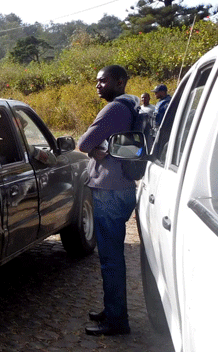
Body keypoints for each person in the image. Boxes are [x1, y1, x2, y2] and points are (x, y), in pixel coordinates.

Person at [77, 65, 138, 336]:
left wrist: (93, 149)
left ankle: (116, 321)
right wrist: (98, 149)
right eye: (97, 81)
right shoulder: (131, 106)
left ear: (120, 81)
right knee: (112, 258)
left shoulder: (114, 109)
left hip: (110, 192)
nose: (98, 85)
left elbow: (84, 142)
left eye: (103, 81)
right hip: (122, 187)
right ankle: (113, 310)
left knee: (111, 260)